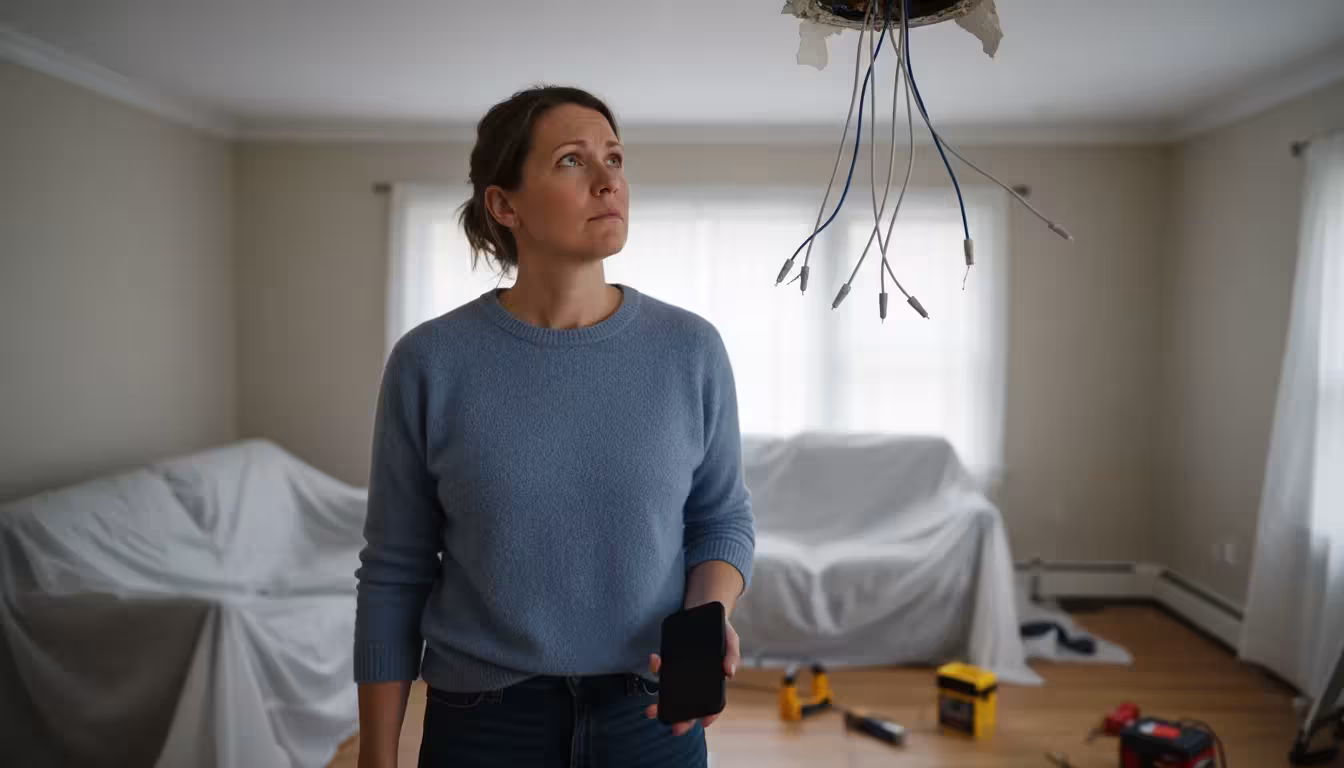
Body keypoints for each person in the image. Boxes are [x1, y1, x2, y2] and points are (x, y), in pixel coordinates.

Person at [353, 85, 756, 768]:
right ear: (504, 204)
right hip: (483, 725)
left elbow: (720, 519)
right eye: (573, 161)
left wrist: (707, 616)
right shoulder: (430, 361)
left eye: (615, 158)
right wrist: (377, 754)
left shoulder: (691, 349)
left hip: (653, 717)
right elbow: (396, 570)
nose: (608, 181)